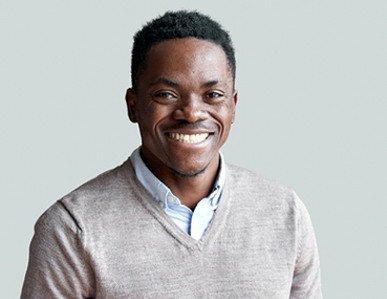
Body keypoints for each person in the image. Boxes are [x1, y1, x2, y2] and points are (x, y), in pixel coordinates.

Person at [21, 10, 322, 298]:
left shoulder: (285, 214)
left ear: (233, 105)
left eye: (212, 95)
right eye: (166, 94)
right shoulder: (73, 228)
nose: (191, 113)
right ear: (133, 105)